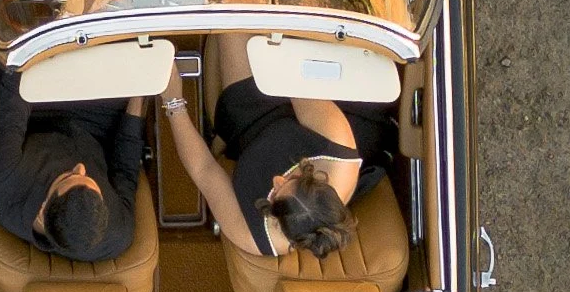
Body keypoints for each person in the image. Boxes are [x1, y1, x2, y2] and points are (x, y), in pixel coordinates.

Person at [158, 32, 396, 261]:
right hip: (299, 98)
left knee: (232, 20)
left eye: (276, 194)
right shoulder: (337, 145)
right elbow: (290, 69)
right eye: (293, 178)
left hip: (249, 123)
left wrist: (173, 100)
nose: (277, 180)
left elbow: (204, 169)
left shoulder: (251, 235)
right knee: (248, 11)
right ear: (318, 176)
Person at [0, 0, 145, 261]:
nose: (81, 167)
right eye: (90, 179)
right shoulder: (117, 232)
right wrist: (142, 87)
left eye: (69, 175)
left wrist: (70, 20)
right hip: (98, 117)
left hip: (36, 102)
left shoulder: (6, 182)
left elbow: (17, 80)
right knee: (127, 5)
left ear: (43, 210)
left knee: (21, 13)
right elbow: (125, 170)